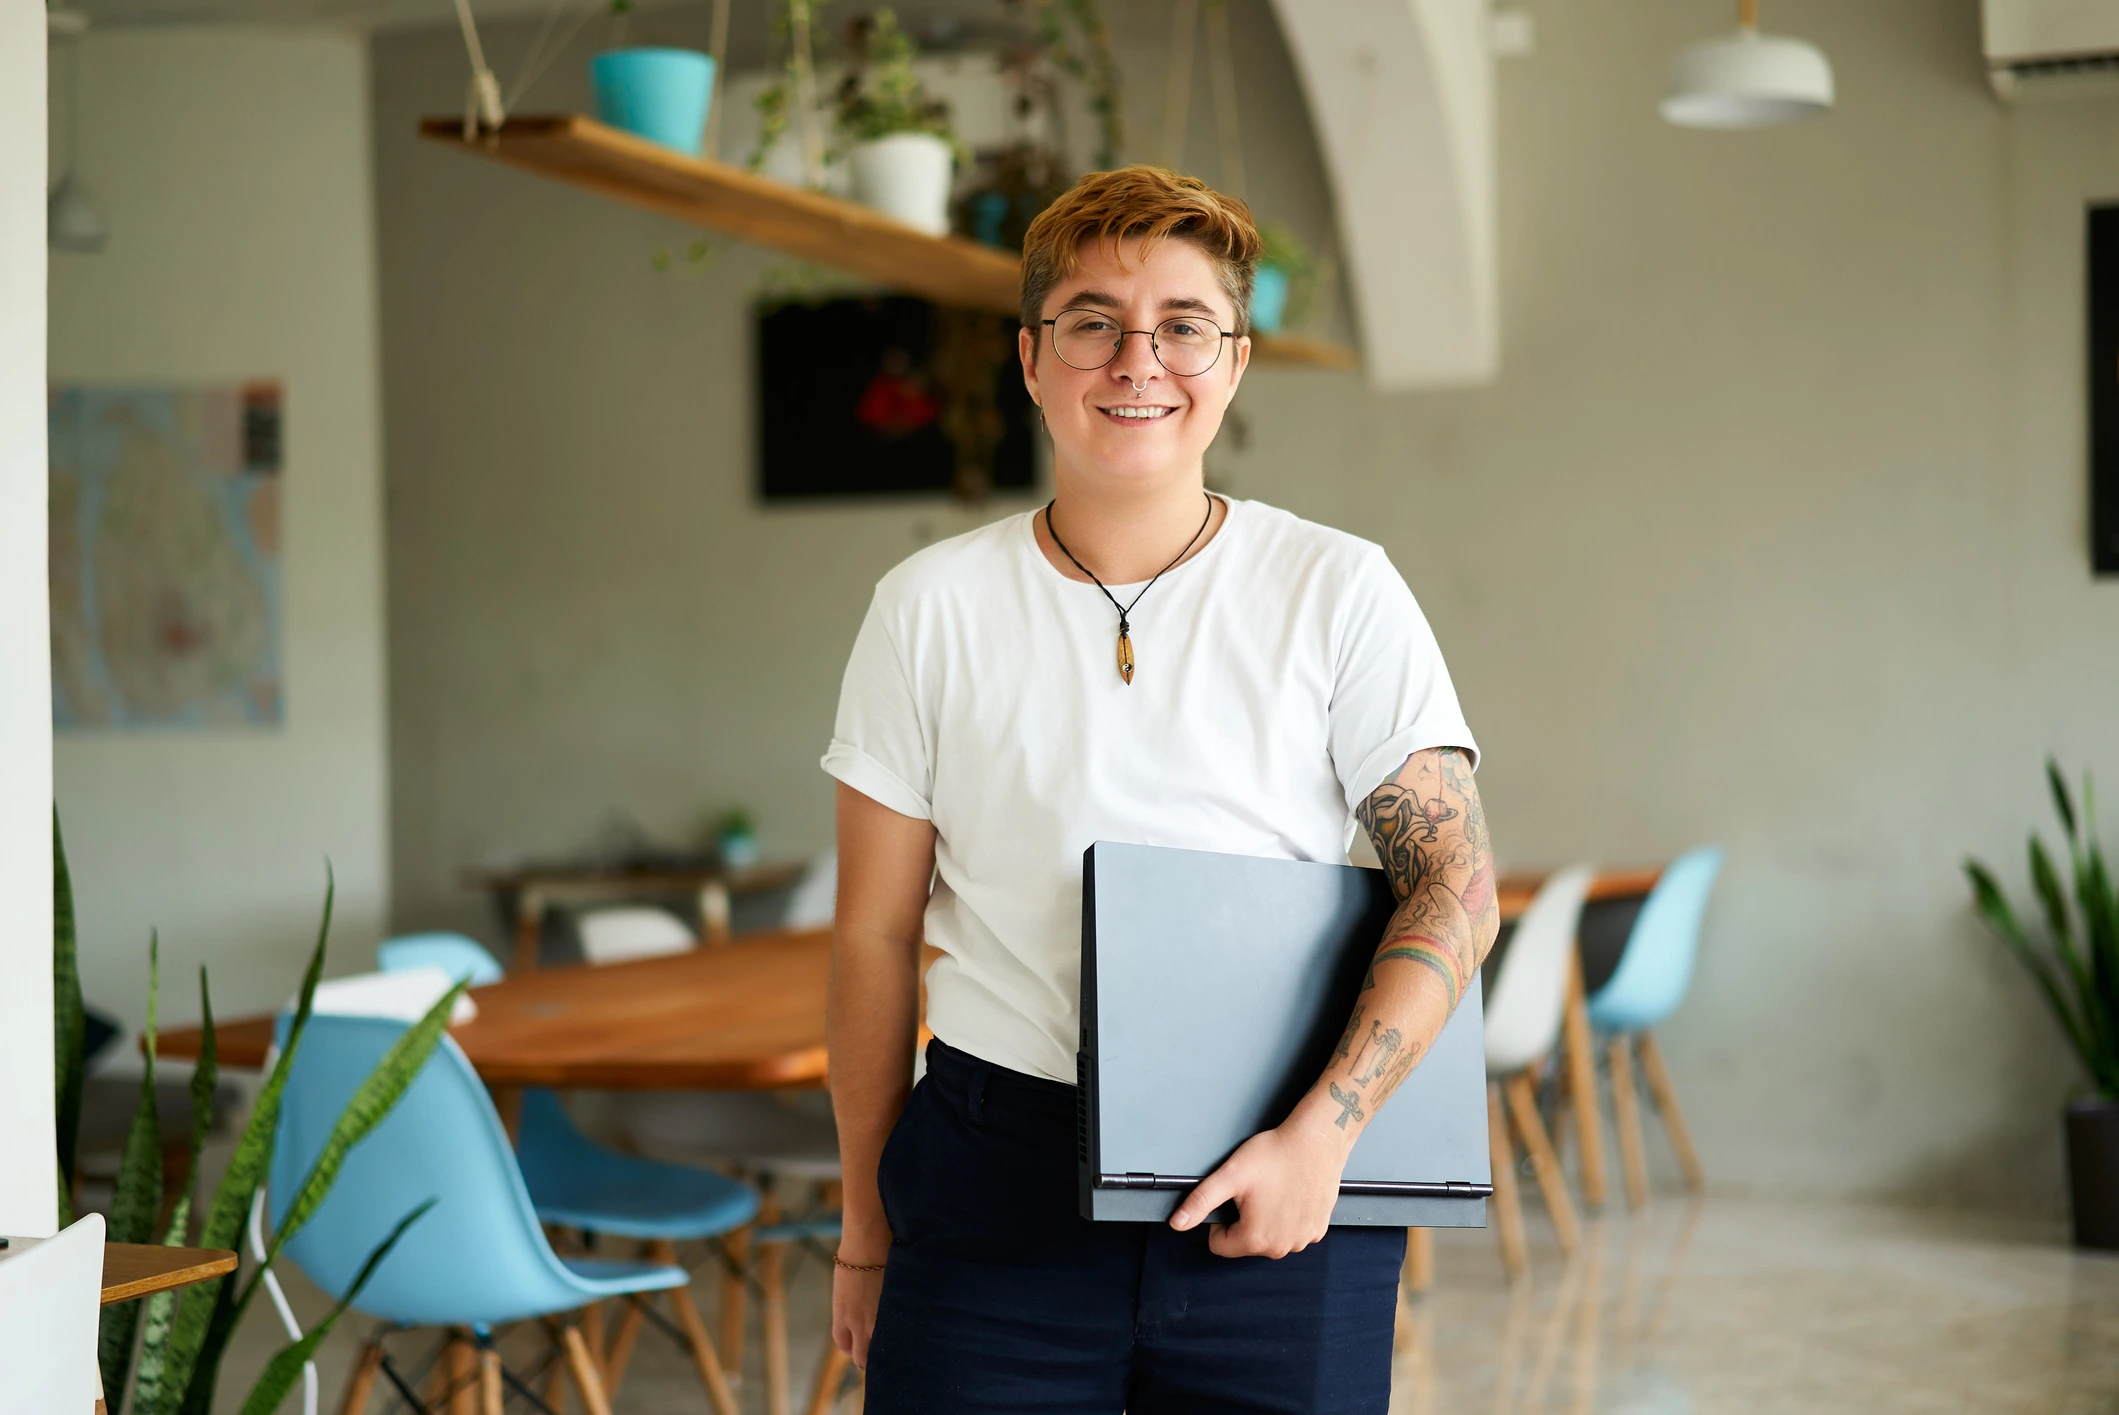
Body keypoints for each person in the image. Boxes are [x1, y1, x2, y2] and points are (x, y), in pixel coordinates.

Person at [822, 165, 1496, 1414]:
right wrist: (866, 1225)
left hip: (1284, 1172)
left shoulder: (1338, 589)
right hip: (991, 1186)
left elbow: (1454, 884)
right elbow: (869, 935)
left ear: (1232, 363)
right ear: (1031, 360)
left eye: (1184, 324)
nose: (1139, 360)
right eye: (1093, 322)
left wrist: (1324, 1139)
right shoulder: (928, 607)